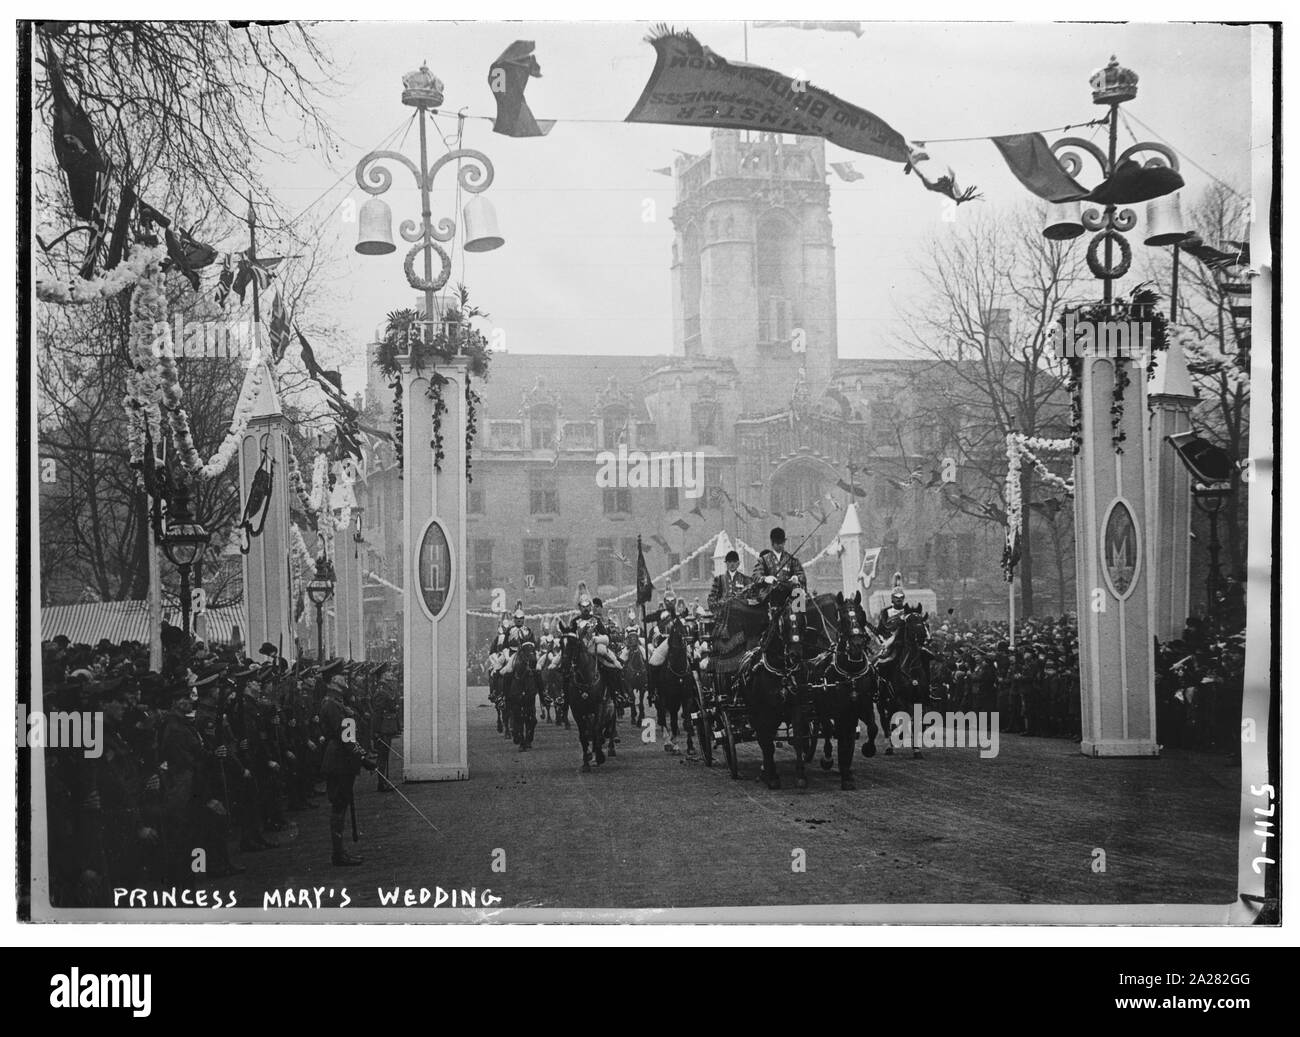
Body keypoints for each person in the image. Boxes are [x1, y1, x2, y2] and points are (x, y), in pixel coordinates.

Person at [319, 672, 373, 867]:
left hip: (344, 759)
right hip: (338, 760)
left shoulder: (338, 702)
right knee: (339, 806)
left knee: (341, 804)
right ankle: (338, 853)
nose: (344, 679)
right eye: (340, 676)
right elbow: (346, 737)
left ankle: (340, 851)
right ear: (333, 681)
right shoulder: (332, 705)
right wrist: (363, 756)